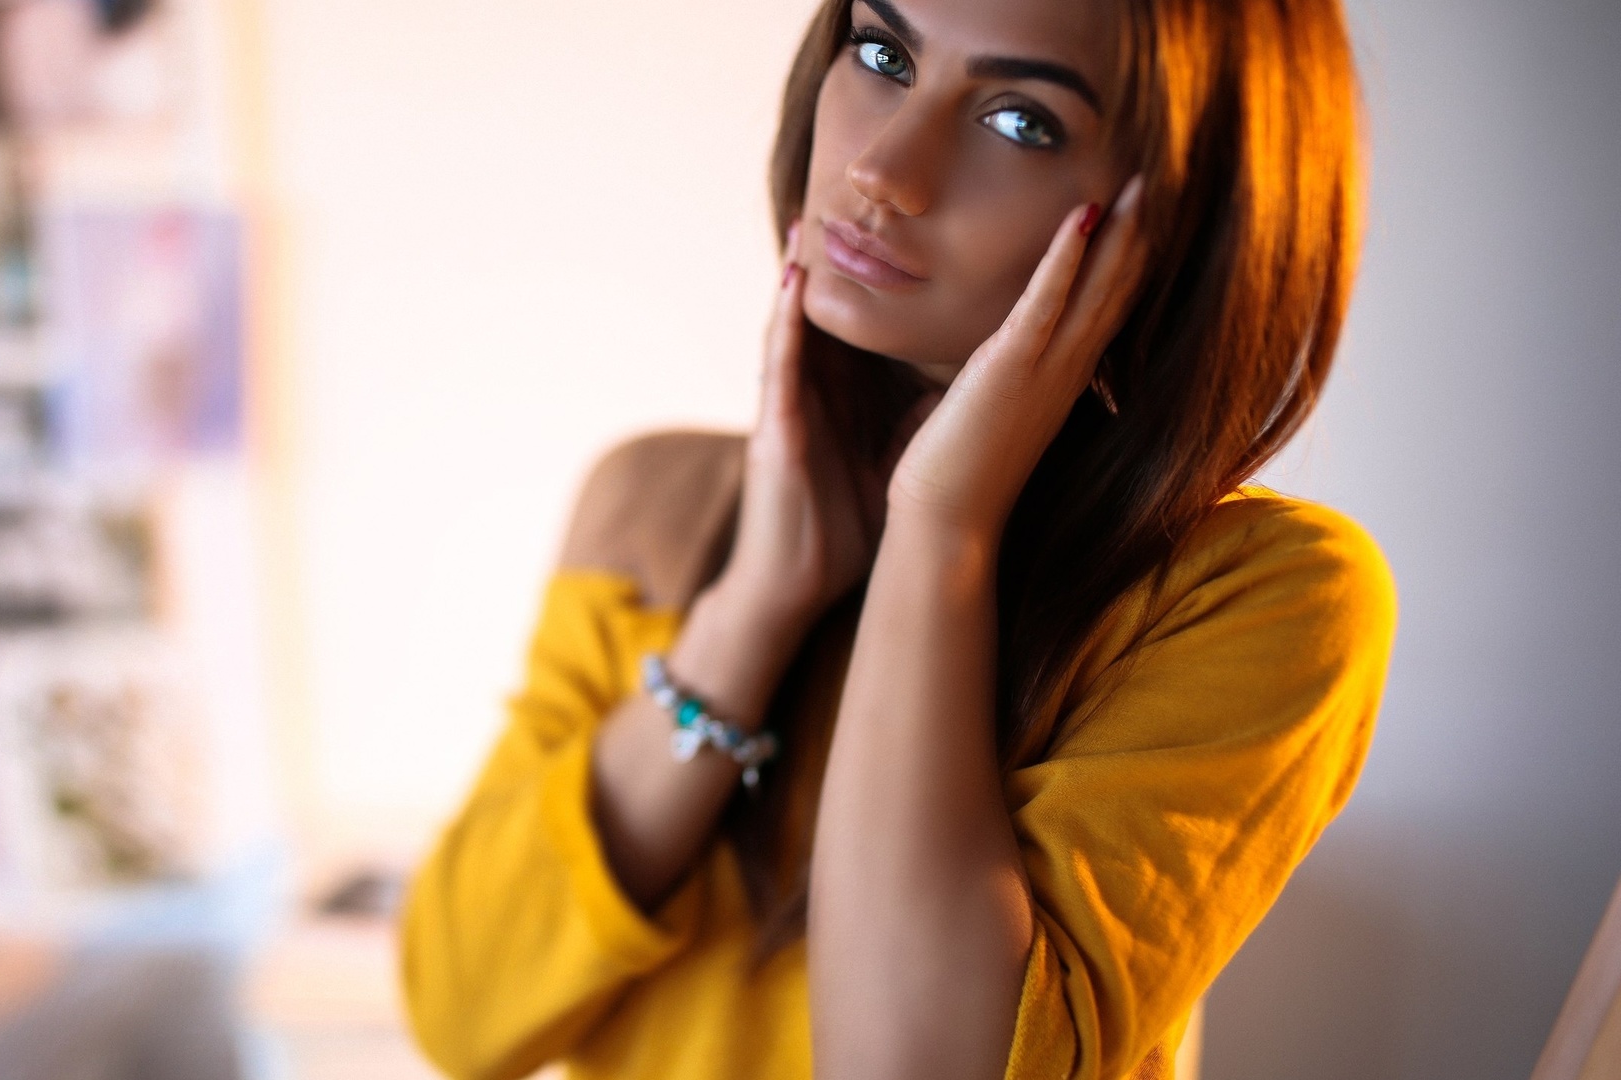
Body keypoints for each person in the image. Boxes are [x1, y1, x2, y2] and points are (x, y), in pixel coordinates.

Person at [399, 0, 1396, 1076]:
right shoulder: (654, 501)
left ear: (1188, 218)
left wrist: (942, 531)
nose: (884, 170)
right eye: (882, 54)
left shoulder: (1262, 596)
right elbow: (462, 1013)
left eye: (1021, 123)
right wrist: (749, 616)